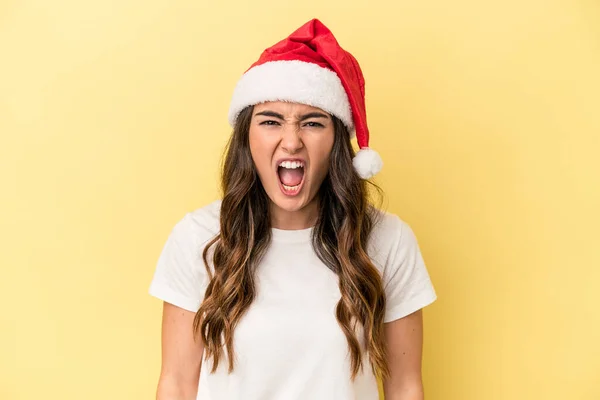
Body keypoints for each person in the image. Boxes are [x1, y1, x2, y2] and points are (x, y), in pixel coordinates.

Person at [149, 18, 437, 400]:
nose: (291, 142)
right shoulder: (197, 238)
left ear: (336, 140)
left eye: (312, 122)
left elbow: (404, 385)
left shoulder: (388, 239)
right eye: (270, 121)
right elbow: (177, 385)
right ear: (246, 138)